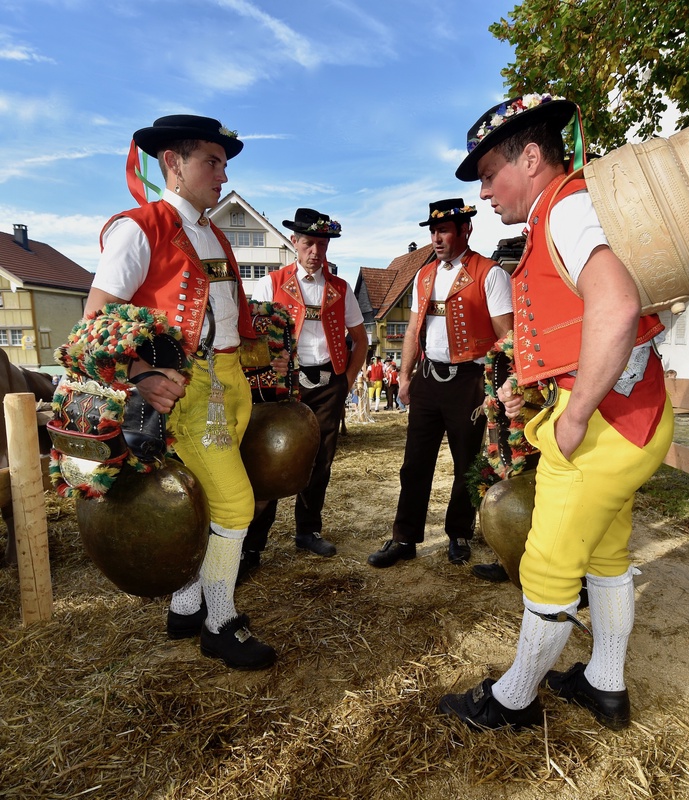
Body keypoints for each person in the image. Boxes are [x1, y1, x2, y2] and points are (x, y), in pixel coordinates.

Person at [437, 94, 674, 731]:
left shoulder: (565, 209)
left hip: (605, 424)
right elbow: (576, 324)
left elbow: (617, 305)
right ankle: (605, 684)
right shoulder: (561, 210)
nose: (484, 193)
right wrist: (535, 384)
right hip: (632, 414)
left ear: (533, 156)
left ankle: (512, 701)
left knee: (547, 563)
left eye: (489, 175)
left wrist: (575, 413)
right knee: (606, 554)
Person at [85, 114, 277, 670]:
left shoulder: (214, 233)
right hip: (188, 392)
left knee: (208, 499)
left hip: (231, 383)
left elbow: (229, 312)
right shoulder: (137, 227)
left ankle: (185, 605)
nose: (222, 175)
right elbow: (97, 316)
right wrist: (143, 373)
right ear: (172, 163)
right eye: (211, 162)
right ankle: (220, 622)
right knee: (236, 506)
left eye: (223, 163)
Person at [367, 199, 513, 568]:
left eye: (444, 230)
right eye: (433, 231)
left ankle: (459, 533)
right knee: (414, 463)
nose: (436, 238)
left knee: (467, 462)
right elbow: (414, 327)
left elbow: (507, 336)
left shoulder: (490, 273)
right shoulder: (423, 274)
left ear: (466, 230)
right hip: (428, 378)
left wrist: (503, 383)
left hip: (470, 381)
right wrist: (404, 375)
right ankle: (404, 538)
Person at [238, 208, 368, 576]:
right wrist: (265, 368)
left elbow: (360, 339)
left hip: (329, 384)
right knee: (270, 460)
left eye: (322, 244)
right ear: (294, 242)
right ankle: (253, 544)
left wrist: (349, 379)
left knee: (320, 462)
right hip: (282, 388)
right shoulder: (271, 282)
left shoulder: (341, 289)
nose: (316, 251)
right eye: (309, 242)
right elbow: (251, 337)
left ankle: (308, 531)